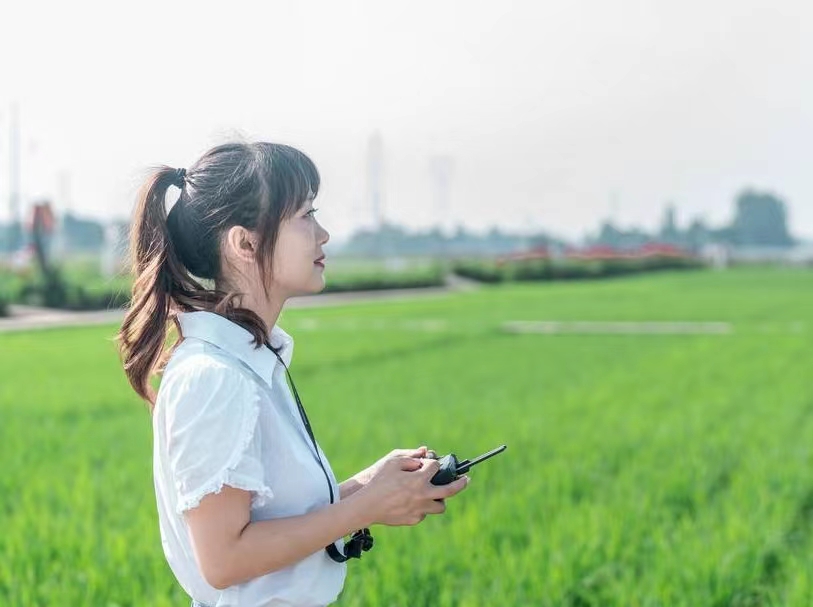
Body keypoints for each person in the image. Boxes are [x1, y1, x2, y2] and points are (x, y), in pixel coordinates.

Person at [116, 142, 469, 607]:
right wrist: (367, 506)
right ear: (246, 243)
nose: (323, 234)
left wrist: (368, 485)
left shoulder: (250, 363)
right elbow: (224, 560)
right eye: (305, 215)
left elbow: (268, 520)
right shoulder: (213, 378)